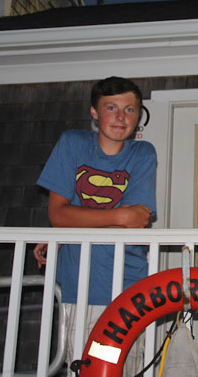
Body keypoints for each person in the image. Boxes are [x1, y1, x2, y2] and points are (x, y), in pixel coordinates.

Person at [34, 76, 155, 376]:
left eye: (129, 110)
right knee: (86, 368)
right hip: (80, 284)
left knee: (124, 368)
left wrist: (74, 224)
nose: (120, 117)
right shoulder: (73, 143)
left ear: (138, 116)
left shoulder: (143, 153)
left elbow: (137, 222)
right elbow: (58, 215)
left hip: (128, 284)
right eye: (111, 107)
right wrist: (119, 215)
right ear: (94, 112)